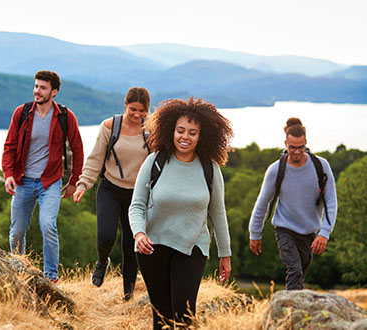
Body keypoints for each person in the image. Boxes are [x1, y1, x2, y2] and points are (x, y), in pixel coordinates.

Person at [129, 97, 233, 329]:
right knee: (162, 317)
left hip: (192, 248)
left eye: (192, 132)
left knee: (184, 315)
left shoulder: (210, 169)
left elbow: (218, 214)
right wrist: (139, 234)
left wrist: (225, 254)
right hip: (152, 247)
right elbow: (136, 205)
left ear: (201, 136)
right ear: (171, 130)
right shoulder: (154, 162)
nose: (185, 137)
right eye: (180, 130)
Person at [1, 70, 83, 283]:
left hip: (50, 182)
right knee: (16, 232)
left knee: (48, 225)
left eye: (43, 88)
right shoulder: (22, 112)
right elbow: (9, 146)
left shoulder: (65, 116)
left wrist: (74, 182)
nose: (37, 91)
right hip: (23, 181)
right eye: (36, 86)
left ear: (54, 92)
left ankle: (51, 277)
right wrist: (8, 174)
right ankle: (19, 272)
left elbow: (78, 149)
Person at [73, 87, 151, 300]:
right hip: (110, 188)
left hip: (137, 195)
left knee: (130, 243)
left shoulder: (151, 129)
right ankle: (102, 261)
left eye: (142, 111)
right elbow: (95, 158)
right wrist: (83, 185)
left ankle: (128, 292)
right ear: (125, 104)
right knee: (106, 235)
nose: (137, 115)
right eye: (133, 109)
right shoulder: (110, 126)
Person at [248, 117, 337, 290]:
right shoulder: (276, 170)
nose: (296, 152)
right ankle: (290, 313)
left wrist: (325, 232)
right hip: (284, 229)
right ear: (285, 143)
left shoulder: (321, 167)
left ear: (306, 143)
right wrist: (255, 233)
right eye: (292, 148)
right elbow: (262, 203)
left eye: (301, 147)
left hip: (309, 233)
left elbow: (331, 201)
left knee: (300, 274)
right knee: (295, 271)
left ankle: (293, 309)